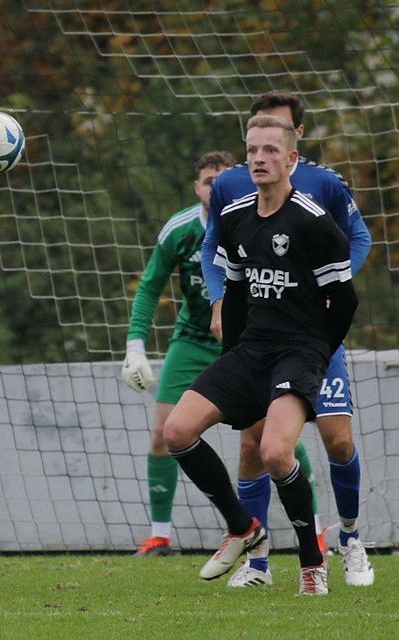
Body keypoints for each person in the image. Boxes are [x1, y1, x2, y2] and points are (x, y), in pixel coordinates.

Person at [164, 114, 358, 596]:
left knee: (274, 452)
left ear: (291, 158)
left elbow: (345, 302)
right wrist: (231, 355)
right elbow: (233, 293)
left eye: (270, 150)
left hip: (300, 353)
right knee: (177, 430)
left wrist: (317, 353)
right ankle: (243, 528)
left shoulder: (314, 222)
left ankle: (312, 562)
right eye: (251, 150)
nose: (258, 158)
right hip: (250, 350)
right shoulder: (235, 217)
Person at [121, 151, 235, 557]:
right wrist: (135, 346)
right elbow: (150, 286)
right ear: (196, 187)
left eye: (223, 181)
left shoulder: (253, 223)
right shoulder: (180, 230)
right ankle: (160, 536)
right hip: (192, 340)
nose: (215, 188)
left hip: (244, 343)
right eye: (208, 182)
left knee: (272, 441)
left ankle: (313, 530)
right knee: (163, 434)